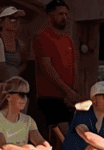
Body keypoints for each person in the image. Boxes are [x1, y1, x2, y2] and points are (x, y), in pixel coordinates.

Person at [32, 0, 79, 132]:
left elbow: (74, 66)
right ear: (50, 15)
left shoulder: (67, 39)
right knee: (66, 135)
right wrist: (68, 91)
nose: (64, 17)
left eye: (65, 14)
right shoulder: (42, 37)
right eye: (60, 14)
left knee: (61, 142)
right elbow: (47, 68)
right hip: (49, 97)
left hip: (67, 98)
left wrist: (73, 92)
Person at [0, 6, 27, 80]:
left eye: (18, 19)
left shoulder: (20, 44)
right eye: (12, 18)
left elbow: (23, 63)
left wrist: (16, 72)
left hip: (12, 85)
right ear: (1, 21)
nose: (16, 21)